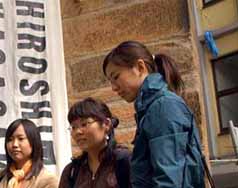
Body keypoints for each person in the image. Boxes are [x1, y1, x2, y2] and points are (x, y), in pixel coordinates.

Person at [102, 40, 208, 187]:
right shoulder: (152, 108)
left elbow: (169, 179)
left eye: (116, 77)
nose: (113, 87)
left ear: (140, 67)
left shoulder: (163, 106)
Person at [58, 98, 131, 188]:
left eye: (84, 124)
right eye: (73, 127)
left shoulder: (123, 160)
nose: (78, 132)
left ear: (106, 124)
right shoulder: (72, 171)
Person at [0, 119, 58, 188]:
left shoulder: (48, 180)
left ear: (33, 142)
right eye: (10, 139)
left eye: (21, 139)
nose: (15, 144)